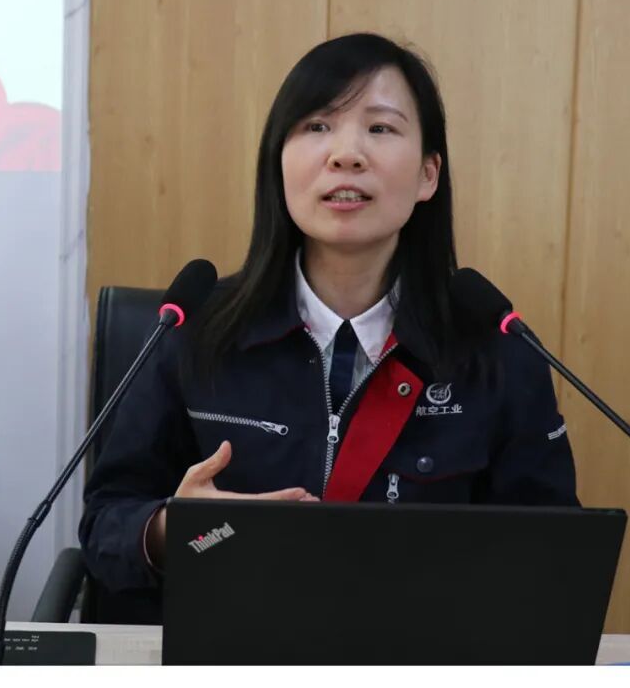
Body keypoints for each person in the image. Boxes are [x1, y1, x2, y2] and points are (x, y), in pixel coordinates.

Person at [79, 32, 578, 597]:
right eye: (317, 126)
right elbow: (105, 526)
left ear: (428, 175)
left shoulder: (498, 351)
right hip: (233, 636)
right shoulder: (194, 331)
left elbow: (554, 556)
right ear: (279, 164)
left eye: (380, 128)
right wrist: (179, 528)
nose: (346, 154)